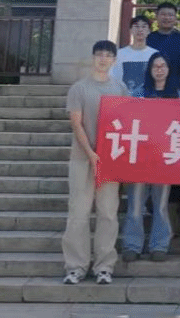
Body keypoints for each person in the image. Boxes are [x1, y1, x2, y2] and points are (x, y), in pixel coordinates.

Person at [61, 40, 129, 286]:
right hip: (82, 159)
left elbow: (126, 122)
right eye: (99, 54)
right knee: (78, 213)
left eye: (108, 55)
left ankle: (104, 266)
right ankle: (76, 266)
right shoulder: (79, 88)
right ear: (93, 58)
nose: (103, 59)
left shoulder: (120, 88)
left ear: (114, 60)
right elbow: (76, 123)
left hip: (110, 162)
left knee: (108, 213)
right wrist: (90, 152)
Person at [122, 52, 177, 263]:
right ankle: (132, 245)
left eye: (163, 66)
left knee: (161, 205)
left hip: (164, 159)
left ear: (169, 69)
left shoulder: (176, 95)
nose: (159, 70)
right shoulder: (138, 93)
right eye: (156, 66)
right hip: (140, 157)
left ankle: (159, 245)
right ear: (150, 70)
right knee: (135, 204)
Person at [113, 15, 159, 96]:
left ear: (149, 31)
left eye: (144, 27)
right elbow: (114, 78)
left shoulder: (155, 54)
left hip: (149, 99)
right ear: (130, 30)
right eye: (136, 26)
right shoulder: (120, 54)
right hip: (125, 99)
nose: (140, 29)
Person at [146, 1, 180, 73]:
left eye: (170, 15)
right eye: (163, 14)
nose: (167, 18)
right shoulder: (148, 39)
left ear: (175, 18)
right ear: (156, 16)